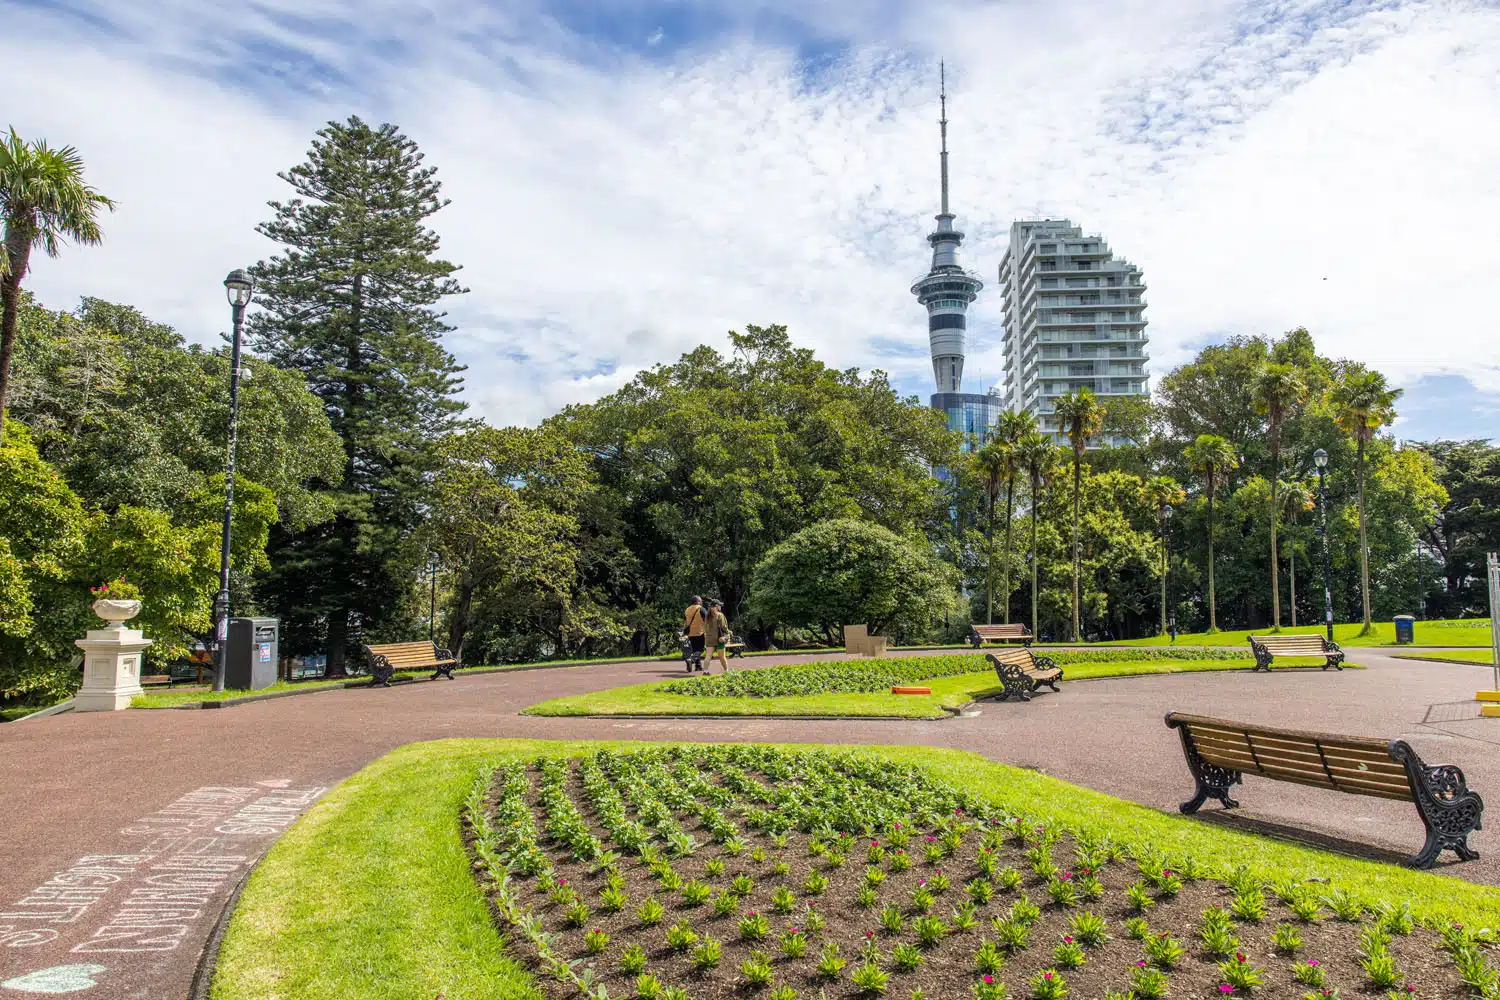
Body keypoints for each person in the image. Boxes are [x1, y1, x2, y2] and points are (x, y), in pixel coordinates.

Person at [703, 599, 732, 674]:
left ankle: (705, 671)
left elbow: (705, 627)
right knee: (722, 656)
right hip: (719, 638)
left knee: (708, 656)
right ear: (716, 606)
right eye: (720, 605)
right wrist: (729, 632)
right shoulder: (720, 615)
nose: (720, 607)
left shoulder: (707, 615)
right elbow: (724, 627)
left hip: (709, 638)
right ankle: (726, 671)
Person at [682, 595, 706, 672]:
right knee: (701, 649)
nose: (702, 602)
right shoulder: (701, 609)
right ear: (697, 601)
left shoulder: (687, 610)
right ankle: (691, 660)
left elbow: (685, 621)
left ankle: (698, 666)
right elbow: (707, 619)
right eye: (701, 601)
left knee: (695, 649)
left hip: (690, 633)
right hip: (700, 632)